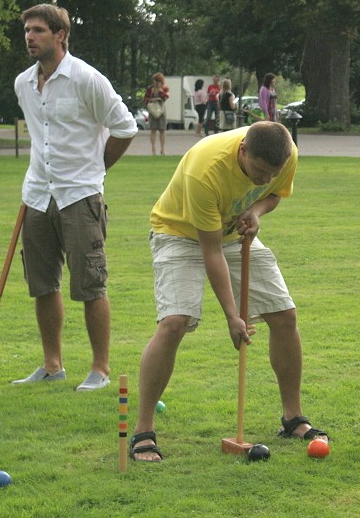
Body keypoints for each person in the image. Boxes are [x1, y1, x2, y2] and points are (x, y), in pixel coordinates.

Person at [128, 122, 330, 462]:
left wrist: (256, 210)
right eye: (259, 171)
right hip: (178, 232)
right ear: (243, 152)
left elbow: (274, 193)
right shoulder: (205, 169)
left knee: (284, 315)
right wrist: (232, 316)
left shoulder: (285, 153)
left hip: (233, 231)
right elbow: (211, 252)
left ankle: (293, 417)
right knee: (175, 321)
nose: (265, 179)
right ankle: (143, 431)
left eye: (273, 172)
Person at [12, 3, 137, 391]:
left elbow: (125, 127)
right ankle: (53, 365)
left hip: (79, 196)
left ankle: (99, 369)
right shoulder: (23, 84)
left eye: (38, 30)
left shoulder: (87, 79)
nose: (30, 37)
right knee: (43, 283)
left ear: (60, 35)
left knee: (90, 284)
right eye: (27, 31)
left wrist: (96, 170)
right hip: (37, 196)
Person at [143, 73, 170, 155]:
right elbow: (145, 99)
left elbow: (165, 97)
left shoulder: (165, 89)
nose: (156, 83)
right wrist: (151, 99)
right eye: (154, 81)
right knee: (153, 130)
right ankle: (153, 149)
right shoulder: (150, 89)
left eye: (157, 81)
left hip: (161, 111)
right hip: (152, 110)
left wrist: (159, 90)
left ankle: (162, 149)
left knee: (162, 130)